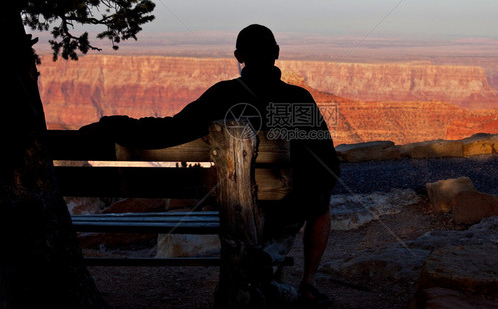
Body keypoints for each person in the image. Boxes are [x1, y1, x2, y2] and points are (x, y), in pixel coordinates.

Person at [81, 24, 340, 307]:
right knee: (320, 201)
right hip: (283, 207)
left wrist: (113, 124)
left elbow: (168, 132)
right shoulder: (297, 100)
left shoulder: (222, 95)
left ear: (238, 56)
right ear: (276, 54)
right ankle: (306, 283)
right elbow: (327, 165)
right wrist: (300, 194)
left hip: (231, 205)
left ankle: (264, 276)